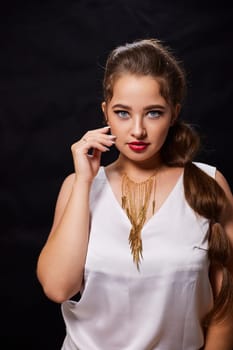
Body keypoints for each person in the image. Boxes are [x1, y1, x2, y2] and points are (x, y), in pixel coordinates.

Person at [36, 38, 233, 350]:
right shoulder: (78, 186)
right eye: (123, 113)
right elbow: (58, 287)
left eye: (153, 113)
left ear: (174, 113)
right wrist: (85, 181)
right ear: (106, 113)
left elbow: (225, 306)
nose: (138, 130)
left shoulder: (208, 184)